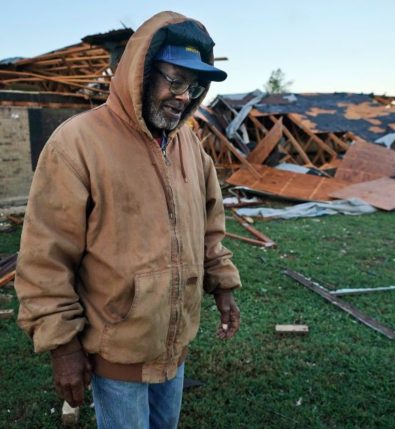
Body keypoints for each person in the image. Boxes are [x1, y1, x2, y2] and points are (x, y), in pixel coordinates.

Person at [14, 11, 242, 428]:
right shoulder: (78, 143)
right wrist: (62, 345)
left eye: (194, 86)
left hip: (174, 344)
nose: (183, 96)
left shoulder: (189, 144)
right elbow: (44, 256)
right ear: (140, 72)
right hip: (115, 352)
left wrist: (222, 284)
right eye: (174, 80)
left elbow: (209, 224)